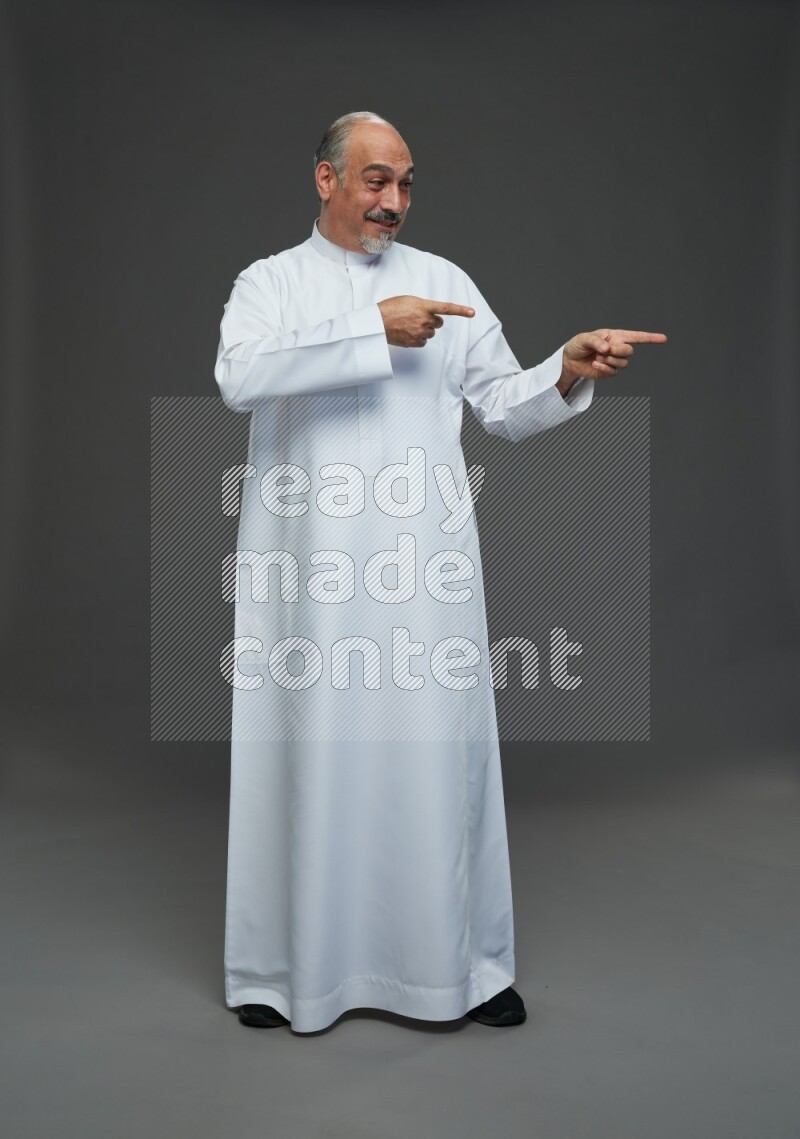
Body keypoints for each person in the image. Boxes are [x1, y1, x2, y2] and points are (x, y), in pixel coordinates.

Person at [214, 110, 666, 1034]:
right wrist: (369, 330)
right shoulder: (271, 284)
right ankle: (287, 971)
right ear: (325, 181)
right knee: (310, 751)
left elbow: (501, 402)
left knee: (436, 758)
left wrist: (567, 369)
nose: (394, 200)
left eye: (407, 182)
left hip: (421, 569)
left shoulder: (444, 282)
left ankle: (464, 965)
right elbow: (240, 377)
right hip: (314, 576)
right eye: (377, 179)